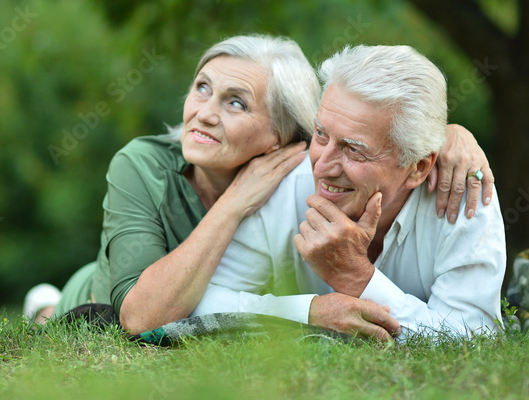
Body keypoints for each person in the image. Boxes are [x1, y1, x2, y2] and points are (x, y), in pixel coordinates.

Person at [24, 35, 495, 335]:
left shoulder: (461, 189)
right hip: (116, 285)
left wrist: (455, 135)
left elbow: (474, 339)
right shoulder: (144, 164)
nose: (204, 113)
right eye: (202, 87)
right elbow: (152, 314)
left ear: (280, 139)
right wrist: (236, 204)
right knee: (66, 312)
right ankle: (44, 303)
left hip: (178, 284)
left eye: (236, 103)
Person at [192, 45, 506, 340]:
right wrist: (307, 312)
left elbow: (476, 338)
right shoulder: (282, 183)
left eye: (353, 150)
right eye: (320, 134)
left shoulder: (464, 196)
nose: (320, 166)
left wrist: (357, 278)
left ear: (418, 168)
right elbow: (204, 302)